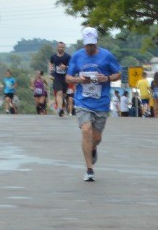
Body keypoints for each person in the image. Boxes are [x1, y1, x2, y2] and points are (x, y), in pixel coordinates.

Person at [66, 27, 123, 182]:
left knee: (96, 138)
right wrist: (79, 80)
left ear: (96, 42)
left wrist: (107, 78)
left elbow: (118, 73)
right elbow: (68, 78)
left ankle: (93, 147)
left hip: (102, 102)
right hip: (82, 101)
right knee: (86, 131)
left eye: (92, 45)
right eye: (87, 45)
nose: (89, 48)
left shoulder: (106, 56)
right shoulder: (77, 57)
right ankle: (89, 169)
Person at [49, 42, 72, 116]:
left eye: (62, 47)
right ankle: (60, 108)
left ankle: (63, 105)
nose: (61, 49)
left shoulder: (68, 57)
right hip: (57, 77)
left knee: (64, 95)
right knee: (59, 92)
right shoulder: (53, 57)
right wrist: (51, 72)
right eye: (60, 47)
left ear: (64, 48)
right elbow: (51, 65)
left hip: (65, 77)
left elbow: (71, 67)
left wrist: (65, 67)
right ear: (57, 47)